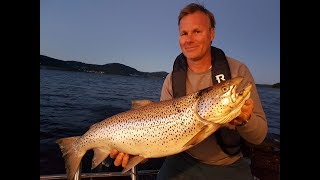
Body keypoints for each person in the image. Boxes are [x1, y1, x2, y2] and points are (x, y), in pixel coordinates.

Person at [109, 2, 268, 180]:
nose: (189, 39)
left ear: (211, 34)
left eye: (197, 31)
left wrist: (245, 120)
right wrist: (135, 151)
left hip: (228, 164)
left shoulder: (237, 72)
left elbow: (259, 136)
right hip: (182, 160)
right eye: (184, 33)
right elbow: (160, 139)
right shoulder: (171, 79)